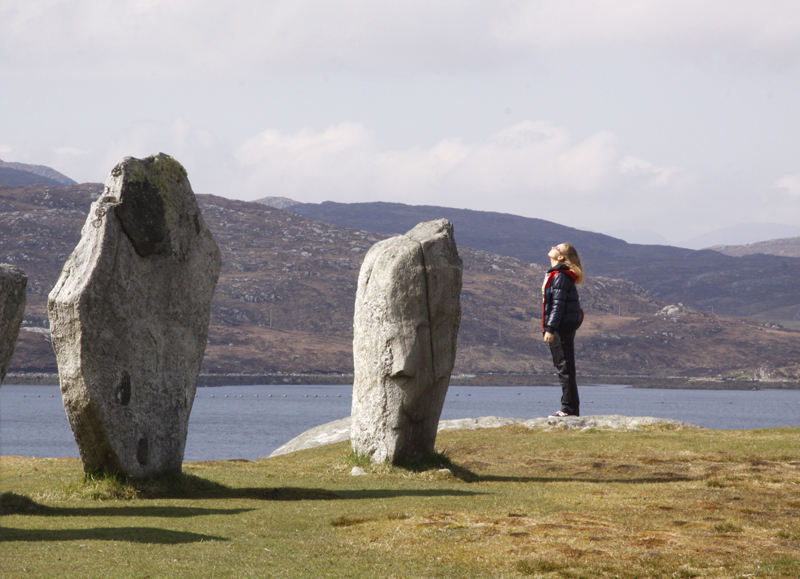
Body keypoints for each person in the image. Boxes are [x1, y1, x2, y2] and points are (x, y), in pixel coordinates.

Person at [542, 243, 585, 417]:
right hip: (562, 326)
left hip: (561, 328)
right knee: (565, 368)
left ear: (560, 257)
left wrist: (550, 328)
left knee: (565, 369)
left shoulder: (560, 276)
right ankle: (571, 408)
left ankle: (568, 409)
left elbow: (557, 305)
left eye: (557, 247)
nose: (552, 247)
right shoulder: (558, 275)